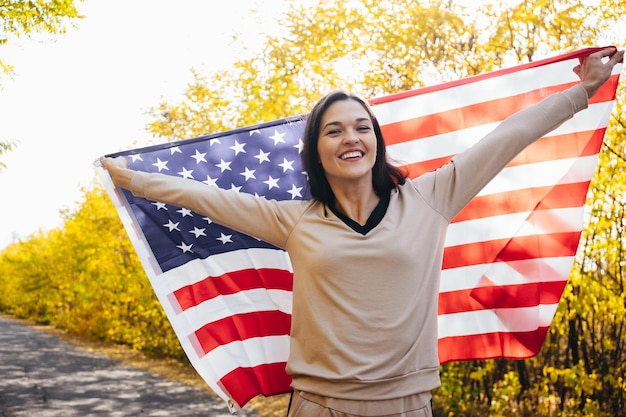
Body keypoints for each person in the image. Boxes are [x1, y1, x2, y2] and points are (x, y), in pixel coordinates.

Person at [101, 47, 624, 417]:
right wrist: (129, 178)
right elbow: (204, 198)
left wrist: (582, 89)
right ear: (317, 150)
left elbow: (508, 137)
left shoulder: (429, 198)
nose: (349, 137)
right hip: (318, 407)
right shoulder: (293, 220)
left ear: (375, 140)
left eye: (360, 127)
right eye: (333, 130)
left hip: (408, 406)